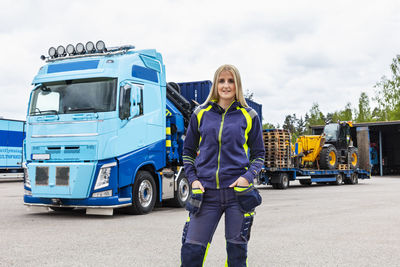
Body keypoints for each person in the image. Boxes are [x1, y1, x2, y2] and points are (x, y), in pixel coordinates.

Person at [180, 64, 265, 266]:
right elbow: (188, 152)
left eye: (230, 81)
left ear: (237, 85)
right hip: (206, 194)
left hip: (238, 194)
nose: (226, 85)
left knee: (237, 257)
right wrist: (193, 180)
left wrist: (247, 177)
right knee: (191, 253)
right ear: (215, 84)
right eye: (221, 80)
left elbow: (259, 154)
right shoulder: (200, 113)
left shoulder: (249, 115)